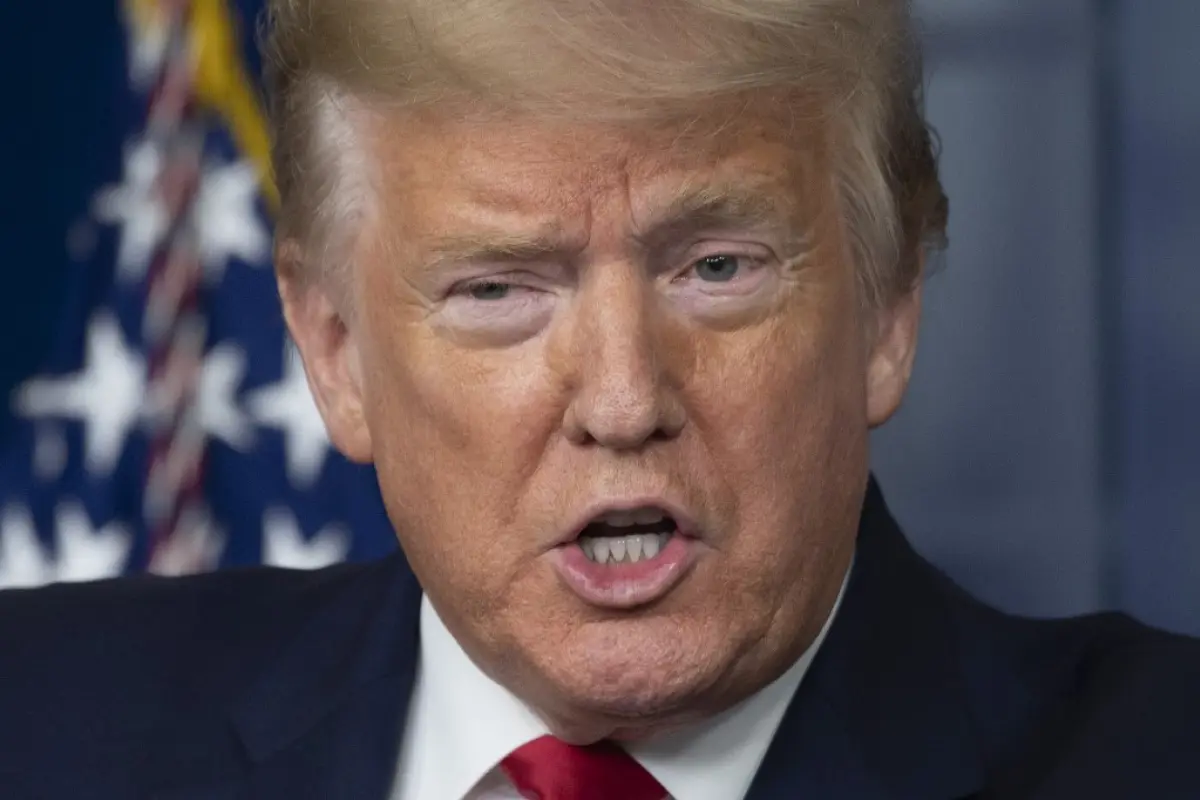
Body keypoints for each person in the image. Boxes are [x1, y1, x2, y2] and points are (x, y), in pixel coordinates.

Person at [2, 0, 1198, 797]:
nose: (623, 402)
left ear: (886, 309)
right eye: (498, 288)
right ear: (331, 350)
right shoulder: (39, 725)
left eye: (716, 269)